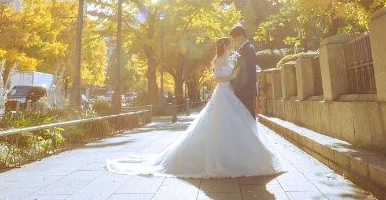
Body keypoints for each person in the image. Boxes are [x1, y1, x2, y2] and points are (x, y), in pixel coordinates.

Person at [104, 32, 284, 178]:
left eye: (232, 43)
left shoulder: (231, 59)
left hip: (231, 95)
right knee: (222, 125)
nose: (232, 45)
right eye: (229, 44)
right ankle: (224, 160)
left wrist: (236, 75)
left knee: (233, 126)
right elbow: (217, 79)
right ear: (223, 46)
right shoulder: (220, 62)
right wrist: (231, 76)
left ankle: (237, 157)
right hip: (222, 95)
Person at [229, 25, 257, 118]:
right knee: (246, 118)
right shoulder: (246, 48)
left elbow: (248, 71)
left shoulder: (248, 49)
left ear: (242, 36)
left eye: (235, 38)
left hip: (245, 90)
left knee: (248, 118)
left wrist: (239, 87)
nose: (234, 41)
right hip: (245, 90)